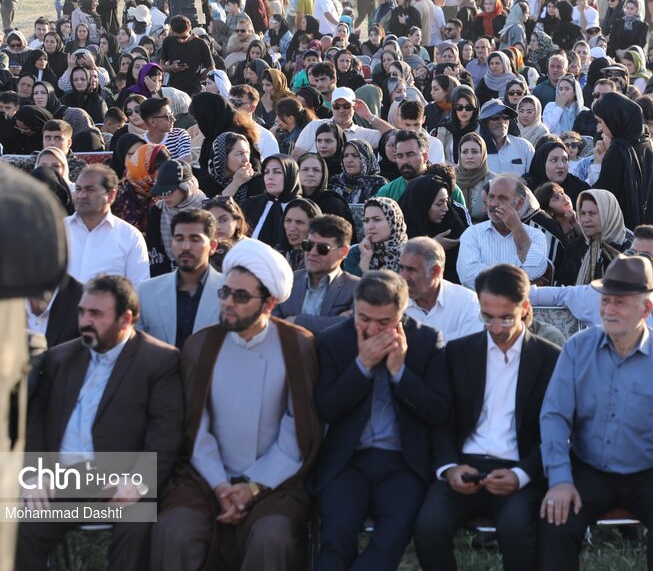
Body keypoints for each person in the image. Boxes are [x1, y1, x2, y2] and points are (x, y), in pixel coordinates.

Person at [151, 238, 321, 571]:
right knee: (174, 532)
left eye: (240, 296)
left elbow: (297, 428)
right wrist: (221, 485)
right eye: (225, 292)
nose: (227, 303)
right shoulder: (201, 345)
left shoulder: (297, 346)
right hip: (205, 478)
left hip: (276, 482)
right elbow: (196, 428)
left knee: (273, 538)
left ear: (269, 303)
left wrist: (253, 486)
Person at [537, 255, 653, 571]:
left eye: (620, 302)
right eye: (605, 301)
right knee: (556, 520)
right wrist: (559, 479)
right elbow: (555, 416)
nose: (608, 310)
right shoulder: (577, 349)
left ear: (646, 308)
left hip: (650, 470)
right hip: (589, 467)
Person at [18, 275, 184, 571]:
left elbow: (166, 434)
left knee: (136, 527)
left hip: (119, 481)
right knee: (21, 524)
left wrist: (139, 481)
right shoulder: (60, 357)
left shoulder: (159, 361)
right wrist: (35, 473)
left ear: (125, 319)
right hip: (64, 480)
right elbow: (36, 420)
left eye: (95, 314)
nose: (84, 321)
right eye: (82, 312)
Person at [414, 264, 561, 571]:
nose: (496, 327)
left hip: (517, 470)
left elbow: (556, 431)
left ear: (525, 308)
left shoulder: (550, 358)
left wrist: (522, 475)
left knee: (516, 531)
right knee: (428, 527)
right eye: (487, 317)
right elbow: (442, 421)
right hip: (464, 466)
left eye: (506, 317)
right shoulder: (457, 353)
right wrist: (448, 468)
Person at [304, 268, 449, 570]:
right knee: (336, 537)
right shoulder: (333, 340)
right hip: (347, 462)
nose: (372, 329)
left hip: (402, 464)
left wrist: (400, 373)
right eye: (364, 319)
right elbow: (326, 408)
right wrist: (362, 366)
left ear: (401, 314)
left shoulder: (426, 340)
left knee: (391, 538)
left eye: (384, 322)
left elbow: (438, 411)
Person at [530, 225, 653, 354]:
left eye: (645, 257)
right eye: (631, 254)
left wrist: (639, 300)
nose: (634, 261)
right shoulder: (600, 293)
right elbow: (556, 295)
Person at [137, 208, 226, 349]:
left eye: (195, 239)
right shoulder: (145, 292)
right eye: (179, 239)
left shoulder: (231, 292)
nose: (185, 247)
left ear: (212, 246)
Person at [457, 174, 549, 290]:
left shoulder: (536, 235)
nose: (494, 203)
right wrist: (521, 282)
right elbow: (469, 276)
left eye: (502, 198)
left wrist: (516, 228)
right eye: (491, 197)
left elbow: (536, 270)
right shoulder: (472, 234)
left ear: (519, 203)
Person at [65, 165, 150, 284]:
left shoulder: (130, 237)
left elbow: (139, 288)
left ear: (111, 195)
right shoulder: (57, 230)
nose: (81, 195)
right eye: (78, 189)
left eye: (90, 189)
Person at [278, 213, 360, 333]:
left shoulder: (357, 288)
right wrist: (335, 322)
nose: (312, 252)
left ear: (344, 252)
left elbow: (353, 328)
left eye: (323, 248)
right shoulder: (287, 280)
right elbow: (269, 323)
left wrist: (297, 320)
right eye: (308, 245)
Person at [593, 90, 653, 227]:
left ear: (615, 120)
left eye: (602, 121)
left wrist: (597, 164)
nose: (600, 128)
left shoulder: (618, 152)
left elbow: (601, 196)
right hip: (650, 226)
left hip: (624, 229)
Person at [399, 236, 482, 341]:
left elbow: (471, 348)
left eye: (411, 270)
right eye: (401, 268)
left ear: (435, 271)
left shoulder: (467, 303)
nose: (403, 277)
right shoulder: (393, 304)